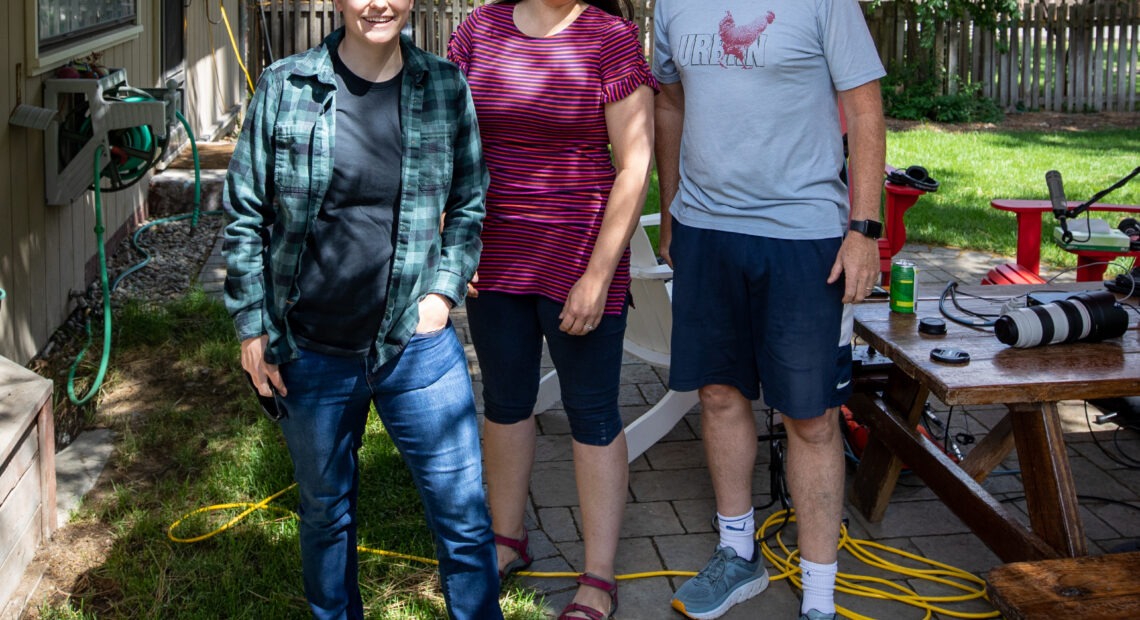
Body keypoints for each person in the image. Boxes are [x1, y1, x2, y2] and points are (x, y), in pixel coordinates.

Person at [222, 0, 501, 618]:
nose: (378, 3)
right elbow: (246, 214)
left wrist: (440, 295)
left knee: (464, 520)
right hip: (311, 348)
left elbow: (471, 201)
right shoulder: (285, 85)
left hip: (416, 346)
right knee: (326, 515)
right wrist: (251, 326)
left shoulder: (445, 87)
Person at [652, 1, 886, 619]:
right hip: (706, 228)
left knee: (811, 417)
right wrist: (670, 205)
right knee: (719, 395)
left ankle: (819, 595)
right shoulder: (671, 4)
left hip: (804, 235)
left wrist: (864, 229)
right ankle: (738, 554)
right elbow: (669, 103)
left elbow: (864, 108)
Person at [447, 1, 656, 618]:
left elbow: (635, 163)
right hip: (496, 254)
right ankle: (507, 540)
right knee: (506, 403)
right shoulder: (479, 29)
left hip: (578, 257)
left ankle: (597, 578)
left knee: (591, 412)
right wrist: (455, 233)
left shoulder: (610, 37)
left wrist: (597, 275)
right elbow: (449, 135)